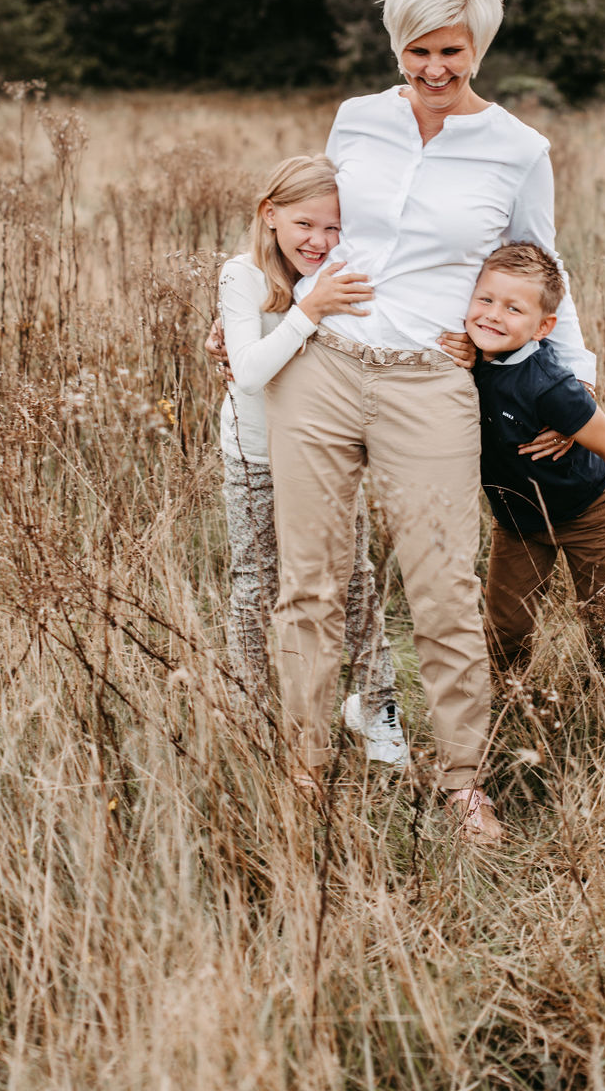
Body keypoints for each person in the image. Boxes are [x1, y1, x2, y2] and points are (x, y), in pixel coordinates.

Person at [261, 0, 598, 847]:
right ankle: (304, 768)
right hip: (322, 371)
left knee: (442, 590)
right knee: (310, 585)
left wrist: (577, 392)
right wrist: (270, 312)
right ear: (394, 44)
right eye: (417, 50)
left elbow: (543, 269)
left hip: (431, 385)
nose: (435, 69)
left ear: (478, 45)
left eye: (452, 50)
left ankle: (461, 784)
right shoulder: (357, 121)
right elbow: (308, 231)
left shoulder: (519, 149)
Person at [217, 153, 410, 766]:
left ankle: (375, 705)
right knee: (257, 583)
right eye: (306, 225)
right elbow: (247, 373)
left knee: (353, 577)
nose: (321, 241)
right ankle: (251, 710)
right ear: (270, 216)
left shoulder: (346, 274)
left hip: (327, 454)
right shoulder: (243, 276)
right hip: (255, 456)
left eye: (334, 228)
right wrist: (309, 311)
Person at [464, 241, 605, 679]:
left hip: (584, 512)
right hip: (516, 522)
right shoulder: (464, 360)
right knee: (506, 628)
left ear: (542, 327)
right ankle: (508, 706)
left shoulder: (549, 385)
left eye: (514, 309)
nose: (493, 314)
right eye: (486, 300)